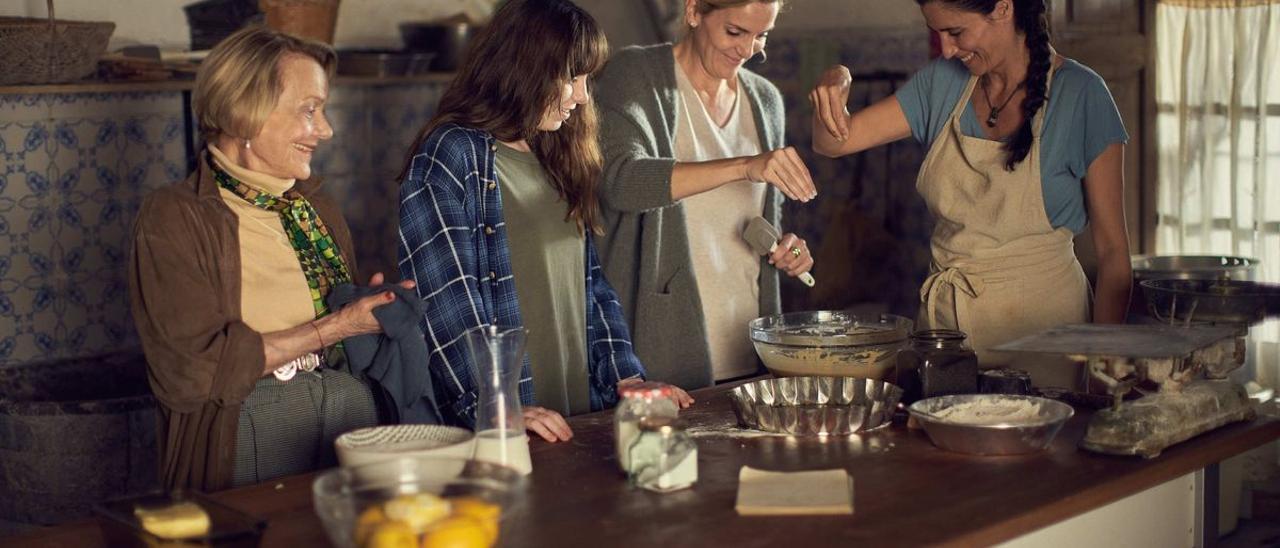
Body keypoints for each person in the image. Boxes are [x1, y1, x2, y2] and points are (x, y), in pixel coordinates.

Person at [129, 26, 413, 491]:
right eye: (309, 110)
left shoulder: (314, 208)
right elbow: (190, 373)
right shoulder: (175, 216)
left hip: (350, 419)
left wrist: (368, 310)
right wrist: (336, 328)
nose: (325, 129)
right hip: (251, 437)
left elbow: (344, 338)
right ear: (246, 112)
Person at [397, 0, 694, 443]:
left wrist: (626, 378)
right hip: (504, 424)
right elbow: (446, 302)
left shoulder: (555, 152)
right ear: (524, 68)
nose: (581, 95)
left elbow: (590, 283)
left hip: (576, 412)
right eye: (571, 78)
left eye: (586, 79)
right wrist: (496, 405)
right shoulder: (452, 152)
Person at [810, 0, 1131, 388]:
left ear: (1003, 9)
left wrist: (1103, 365)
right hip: (946, 339)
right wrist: (836, 78)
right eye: (937, 34)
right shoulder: (943, 84)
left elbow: (1114, 254)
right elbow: (831, 143)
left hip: (1049, 341)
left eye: (956, 32)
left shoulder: (1082, 94)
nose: (946, 50)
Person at [594, 0, 817, 390]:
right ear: (694, 11)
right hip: (660, 351)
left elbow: (760, 226)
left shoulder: (765, 101)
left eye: (760, 36)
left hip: (750, 350)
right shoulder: (635, 74)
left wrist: (787, 251)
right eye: (735, 32)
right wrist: (743, 166)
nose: (748, 50)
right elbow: (620, 182)